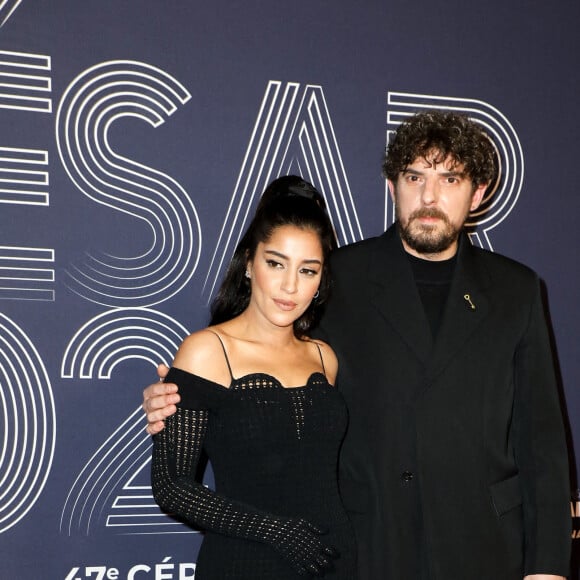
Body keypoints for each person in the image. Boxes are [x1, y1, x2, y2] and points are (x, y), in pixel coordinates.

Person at [144, 111, 571, 580]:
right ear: (392, 186)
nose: (429, 196)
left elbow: (542, 442)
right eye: (414, 176)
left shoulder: (517, 289)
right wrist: (180, 397)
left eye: (450, 178)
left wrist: (547, 568)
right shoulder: (334, 278)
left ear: (478, 194)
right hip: (367, 549)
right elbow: (264, 364)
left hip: (484, 547)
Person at [149, 175, 357, 579]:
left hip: (334, 563)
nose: (289, 286)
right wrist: (276, 531)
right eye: (275, 263)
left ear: (320, 282)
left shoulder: (323, 357)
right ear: (249, 262)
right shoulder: (208, 351)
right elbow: (172, 486)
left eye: (308, 270)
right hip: (244, 563)